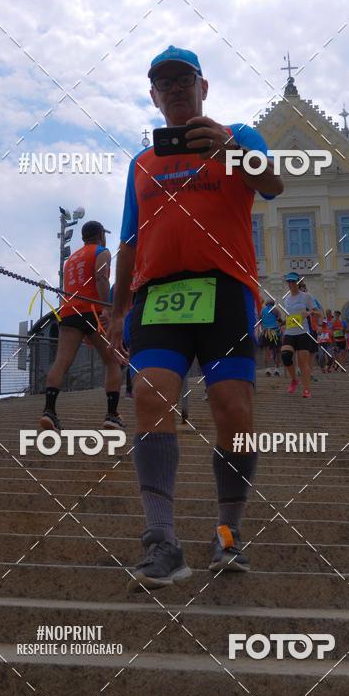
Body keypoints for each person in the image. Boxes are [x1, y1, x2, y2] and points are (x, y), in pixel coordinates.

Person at [109, 45, 283, 590]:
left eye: (185, 80)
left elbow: (273, 184)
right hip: (157, 295)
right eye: (164, 83)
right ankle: (161, 542)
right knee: (148, 397)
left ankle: (227, 535)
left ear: (203, 88)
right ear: (153, 96)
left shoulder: (238, 135)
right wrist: (117, 311)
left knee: (233, 408)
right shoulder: (142, 162)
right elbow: (129, 241)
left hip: (224, 291)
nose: (176, 89)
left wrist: (232, 150)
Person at [40, 221, 124, 432]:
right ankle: (111, 415)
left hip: (69, 312)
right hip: (93, 311)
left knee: (61, 362)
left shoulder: (71, 260)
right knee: (113, 362)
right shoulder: (101, 252)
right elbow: (101, 277)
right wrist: (108, 308)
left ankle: (49, 411)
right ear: (100, 235)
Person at [280, 272, 320, 398]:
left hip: (303, 333)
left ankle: (306, 389)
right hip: (289, 332)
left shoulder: (306, 296)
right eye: (289, 282)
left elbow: (318, 312)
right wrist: (283, 324)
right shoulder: (286, 299)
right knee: (285, 356)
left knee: (303, 363)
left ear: (298, 282)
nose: (291, 284)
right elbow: (288, 316)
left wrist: (309, 313)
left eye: (293, 281)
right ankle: (294, 380)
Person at [298, 280, 321, 382]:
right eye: (301, 288)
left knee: (312, 352)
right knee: (303, 352)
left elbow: (319, 311)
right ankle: (302, 370)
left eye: (304, 287)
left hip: (312, 329)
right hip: (301, 330)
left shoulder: (311, 299)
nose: (303, 289)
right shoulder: (295, 301)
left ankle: (309, 372)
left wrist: (320, 324)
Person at [259, 298, 281, 376]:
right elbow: (279, 321)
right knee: (278, 351)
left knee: (266, 351)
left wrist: (263, 329)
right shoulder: (275, 310)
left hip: (266, 332)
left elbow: (260, 321)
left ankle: (267, 369)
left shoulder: (262, 311)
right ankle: (277, 369)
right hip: (275, 332)